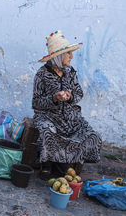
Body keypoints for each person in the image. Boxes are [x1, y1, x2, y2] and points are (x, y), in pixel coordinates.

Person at [32, 30, 102, 180]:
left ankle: (65, 161)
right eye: (68, 53)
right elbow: (36, 102)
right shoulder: (42, 74)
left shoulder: (71, 72)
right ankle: (47, 164)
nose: (71, 57)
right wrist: (54, 98)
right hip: (48, 116)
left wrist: (70, 98)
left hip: (71, 117)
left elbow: (79, 94)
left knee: (92, 135)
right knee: (48, 131)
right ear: (58, 56)